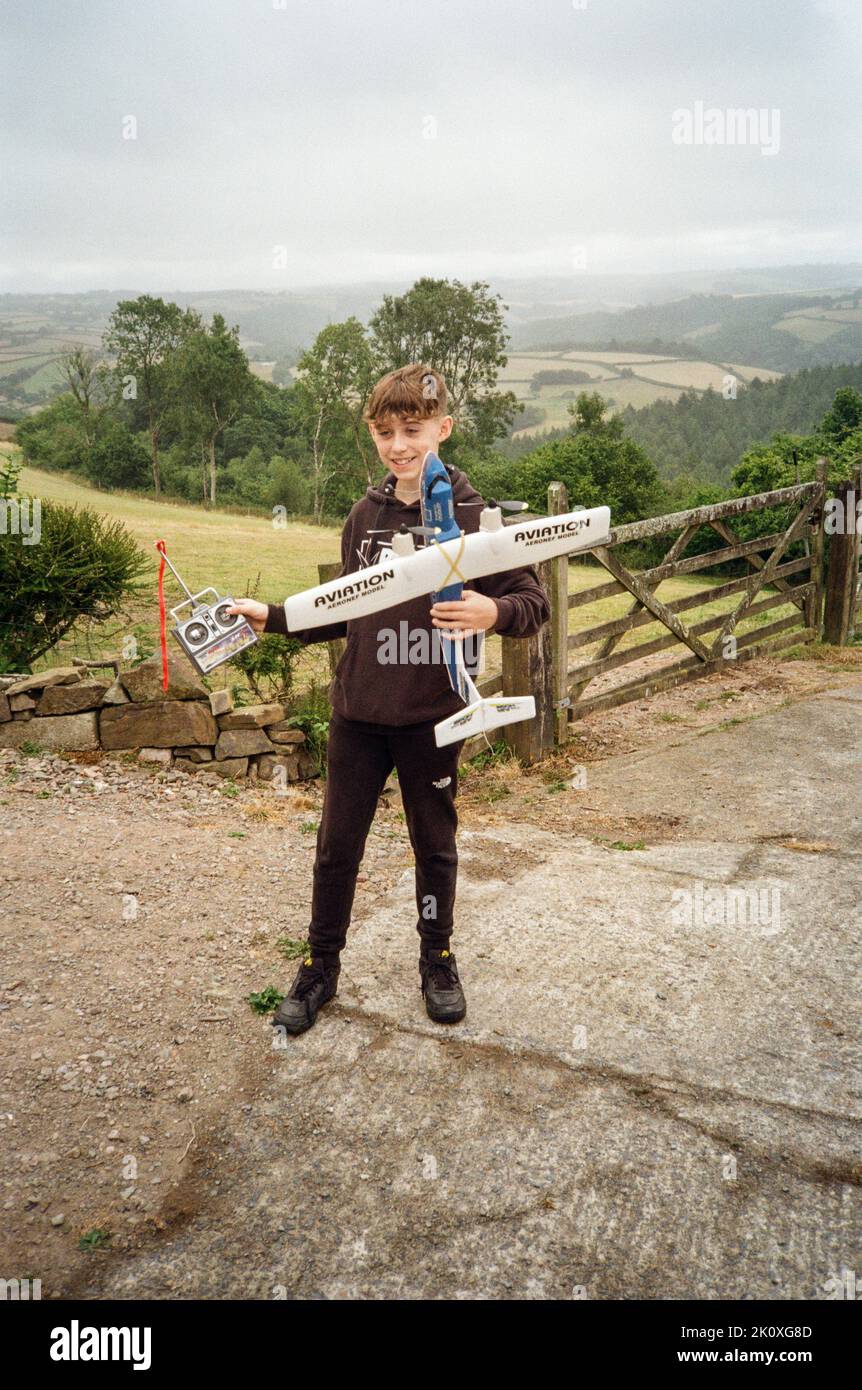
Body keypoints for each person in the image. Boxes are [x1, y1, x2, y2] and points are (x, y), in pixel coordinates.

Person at [228, 363, 550, 1035]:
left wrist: (491, 611)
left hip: (432, 718)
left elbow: (533, 602)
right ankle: (320, 968)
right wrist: (273, 616)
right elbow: (342, 606)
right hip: (357, 715)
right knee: (336, 846)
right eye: (385, 432)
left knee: (434, 845)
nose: (399, 445)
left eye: (413, 430)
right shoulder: (365, 515)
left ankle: (438, 958)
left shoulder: (472, 517)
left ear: (443, 428)